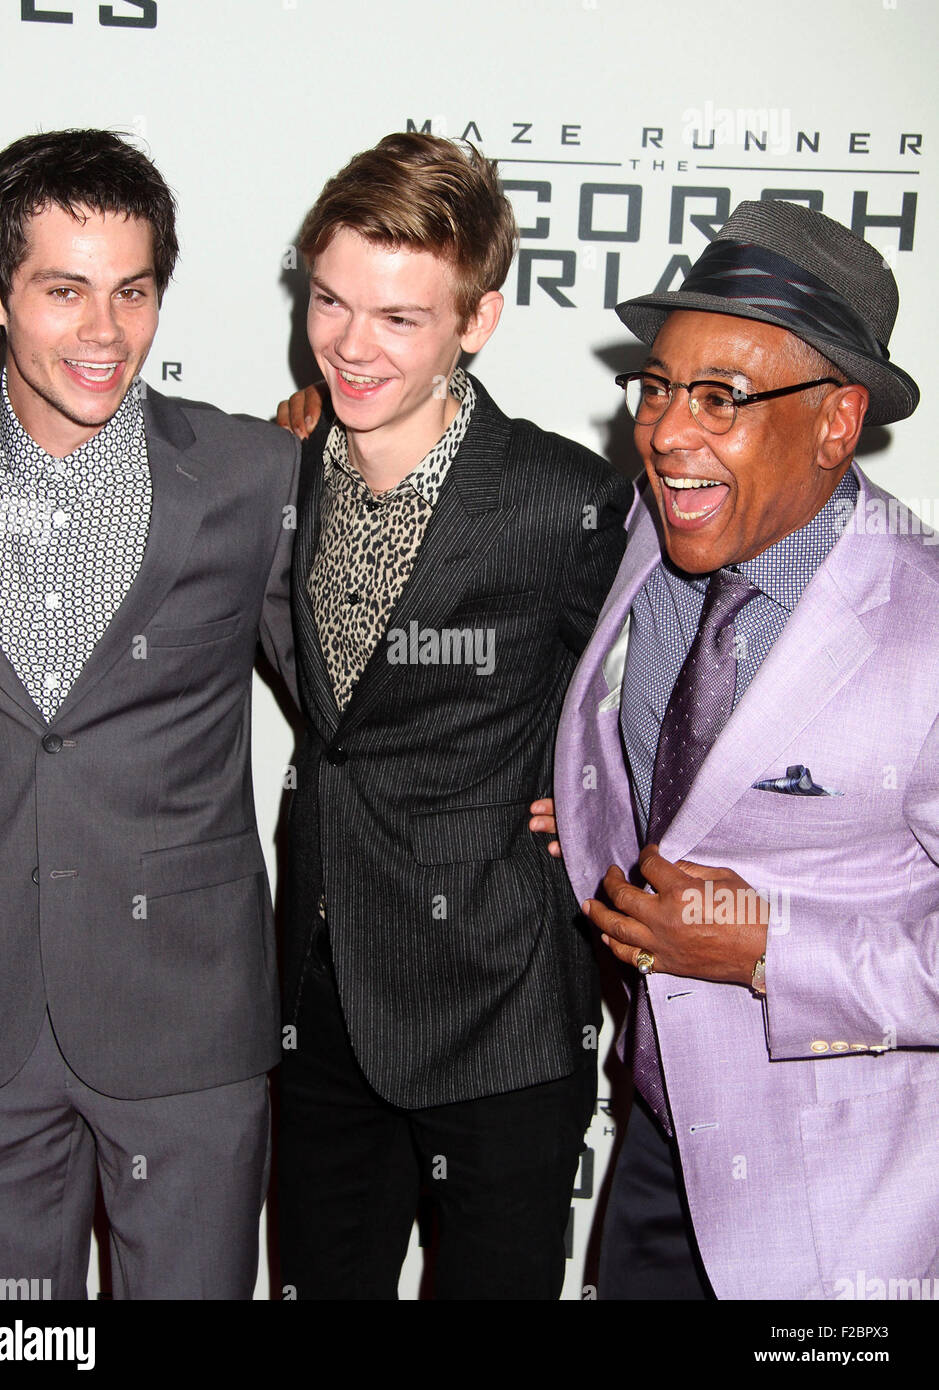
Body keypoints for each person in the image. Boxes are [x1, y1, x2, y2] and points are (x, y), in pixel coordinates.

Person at [554, 198, 937, 1300]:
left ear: (834, 421)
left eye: (718, 398)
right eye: (659, 386)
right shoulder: (661, 517)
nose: (667, 432)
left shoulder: (918, 626)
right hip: (659, 1134)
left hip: (841, 1203)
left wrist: (763, 946)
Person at [276, 132, 632, 1299]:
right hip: (320, 999)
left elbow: (648, 687)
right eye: (330, 300)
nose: (350, 343)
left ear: (474, 322)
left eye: (398, 319)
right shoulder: (272, 474)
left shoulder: (559, 499)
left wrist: (598, 809)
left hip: (495, 1005)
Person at [0, 129, 298, 1299]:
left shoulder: (252, 477)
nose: (104, 334)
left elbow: (362, 695)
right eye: (63, 290)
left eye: (132, 291)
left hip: (184, 1019)